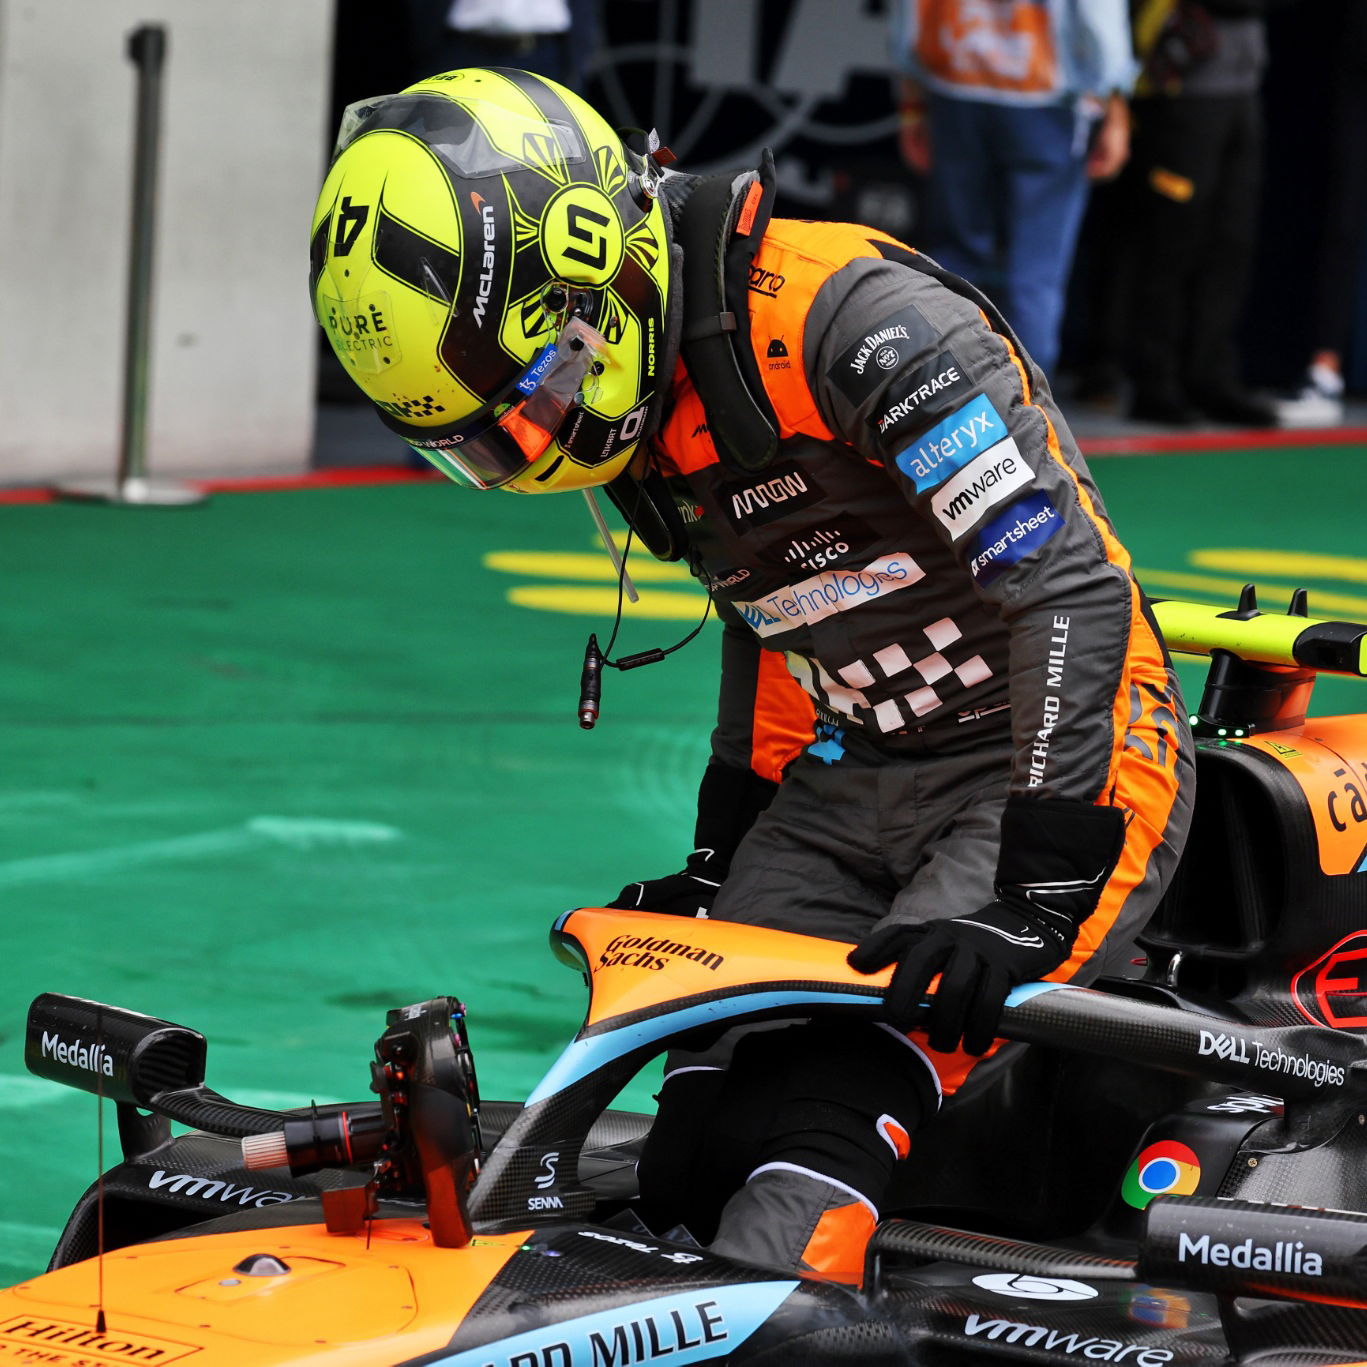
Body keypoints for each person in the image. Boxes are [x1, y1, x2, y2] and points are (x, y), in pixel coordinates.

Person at [310, 68, 1195, 1283]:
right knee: (700, 1108)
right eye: (478, 444)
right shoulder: (637, 382)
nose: (523, 453)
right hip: (856, 768)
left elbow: (1069, 589)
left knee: (834, 1102)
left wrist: (1033, 885)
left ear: (586, 288)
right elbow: (771, 605)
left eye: (515, 413)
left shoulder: (857, 323)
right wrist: (722, 850)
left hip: (1058, 763)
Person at [888, 0, 1136, 378]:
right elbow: (1097, 16)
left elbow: (909, 14)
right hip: (1045, 96)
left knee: (955, 259)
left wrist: (911, 97)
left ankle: (942, 397)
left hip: (958, 87)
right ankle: (1030, 415)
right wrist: (1114, 100)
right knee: (1035, 273)